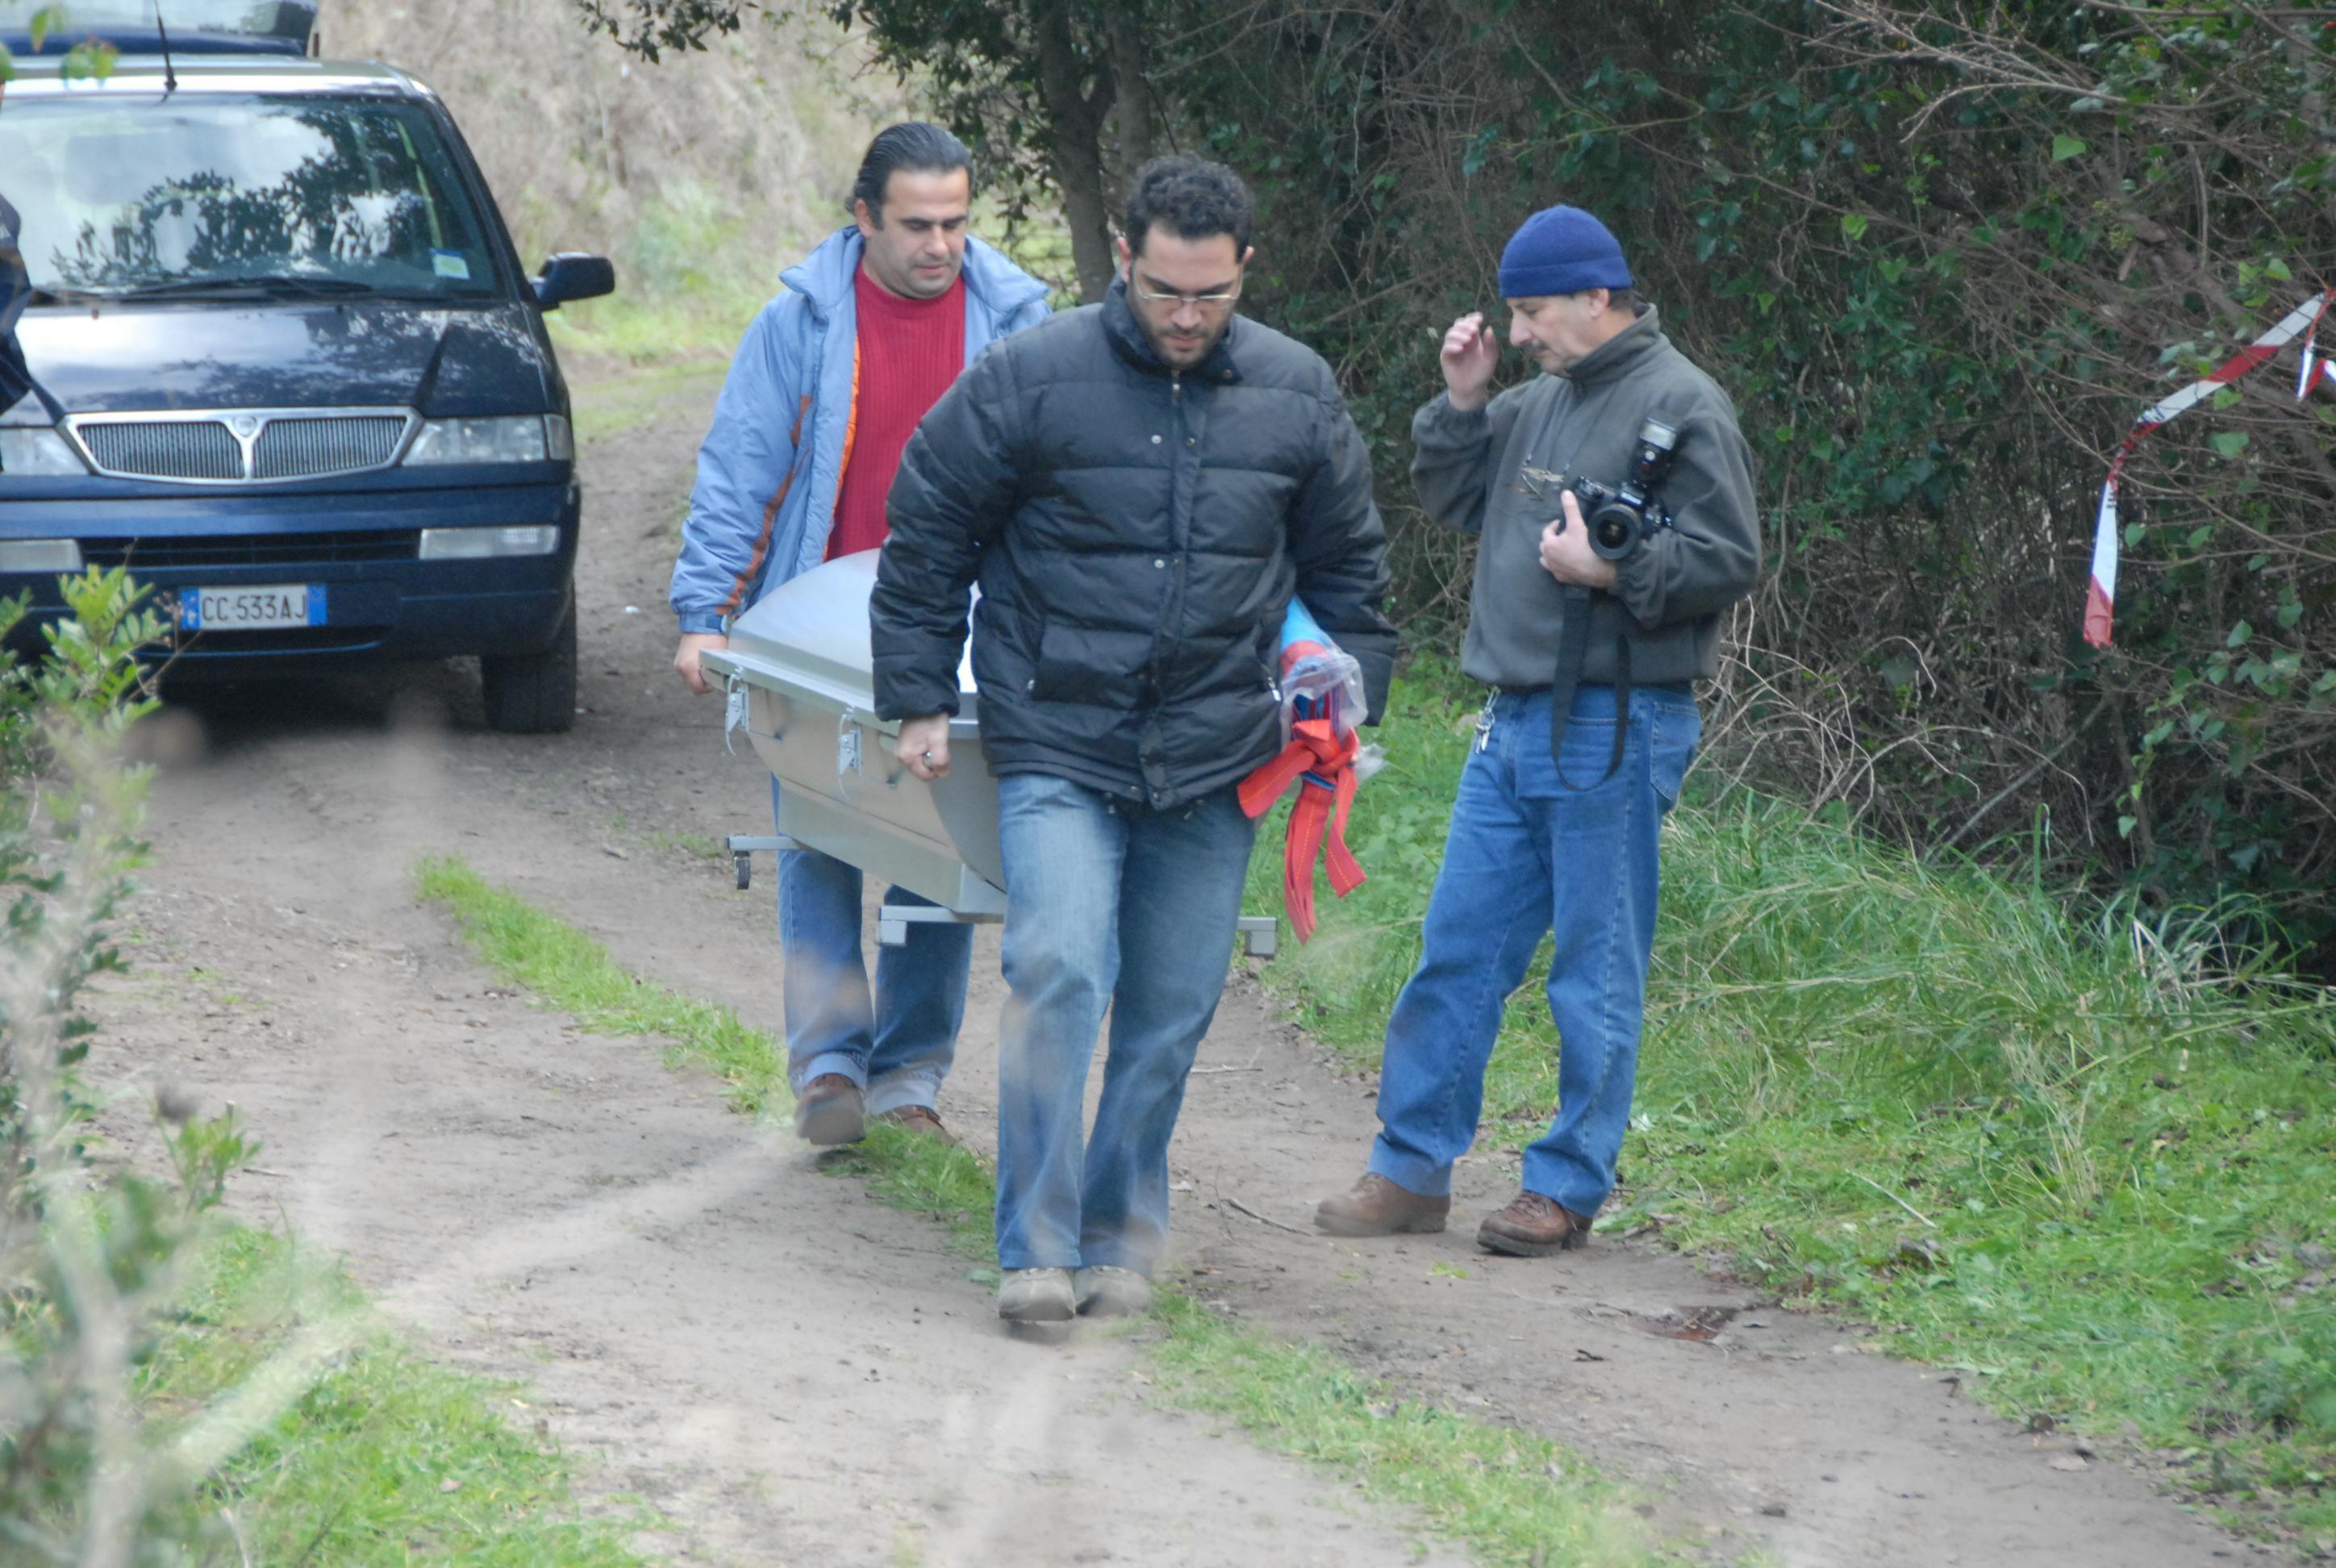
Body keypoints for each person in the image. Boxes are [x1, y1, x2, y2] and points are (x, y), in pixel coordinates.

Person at [872, 156, 1395, 1324]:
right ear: (1124, 258)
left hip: (1218, 756)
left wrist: (1347, 709)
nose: (1186, 317)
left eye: (1210, 295)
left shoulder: (1298, 395)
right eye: (1165, 290)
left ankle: (1118, 1236)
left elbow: (1352, 574)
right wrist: (914, 694)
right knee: (1058, 968)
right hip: (1059, 738)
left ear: (1245, 273)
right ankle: (1036, 1250)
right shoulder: (1031, 377)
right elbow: (929, 528)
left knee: (1170, 1007)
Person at [1315, 204, 1758, 1257]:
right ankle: (1411, 1170)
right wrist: (1463, 403)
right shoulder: (1539, 402)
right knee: (1457, 950)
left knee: (1593, 967)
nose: (1519, 335)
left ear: (1597, 297)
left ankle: (1564, 1187)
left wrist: (1617, 572)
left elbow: (1731, 558)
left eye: (1533, 312)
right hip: (1510, 723)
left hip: (1617, 724)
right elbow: (1458, 498)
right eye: (1513, 315)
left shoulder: (1686, 405)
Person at [669, 124, 1050, 1148]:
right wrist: (705, 615)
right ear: (864, 218)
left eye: (957, 223)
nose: (940, 245)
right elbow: (740, 468)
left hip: (962, 628)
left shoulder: (1016, 325)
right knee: (817, 840)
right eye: (917, 224)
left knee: (942, 843)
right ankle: (829, 1070)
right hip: (818, 622)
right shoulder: (799, 324)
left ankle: (910, 1077)